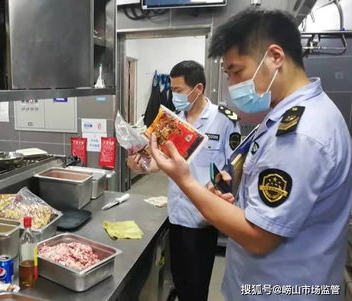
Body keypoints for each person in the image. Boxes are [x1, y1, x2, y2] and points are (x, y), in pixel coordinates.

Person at [148, 8, 352, 301]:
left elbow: (259, 237)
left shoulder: (301, 133)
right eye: (229, 74)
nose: (232, 86)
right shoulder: (283, 118)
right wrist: (236, 195)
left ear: (275, 57)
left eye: (237, 71)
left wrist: (185, 180)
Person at [128, 60, 241, 301]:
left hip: (202, 218)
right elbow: (158, 161)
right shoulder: (172, 121)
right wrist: (139, 165)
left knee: (197, 288)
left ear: (197, 88)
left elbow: (234, 167)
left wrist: (218, 185)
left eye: (178, 90)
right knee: (179, 281)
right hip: (176, 215)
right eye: (172, 89)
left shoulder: (223, 120)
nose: (174, 95)